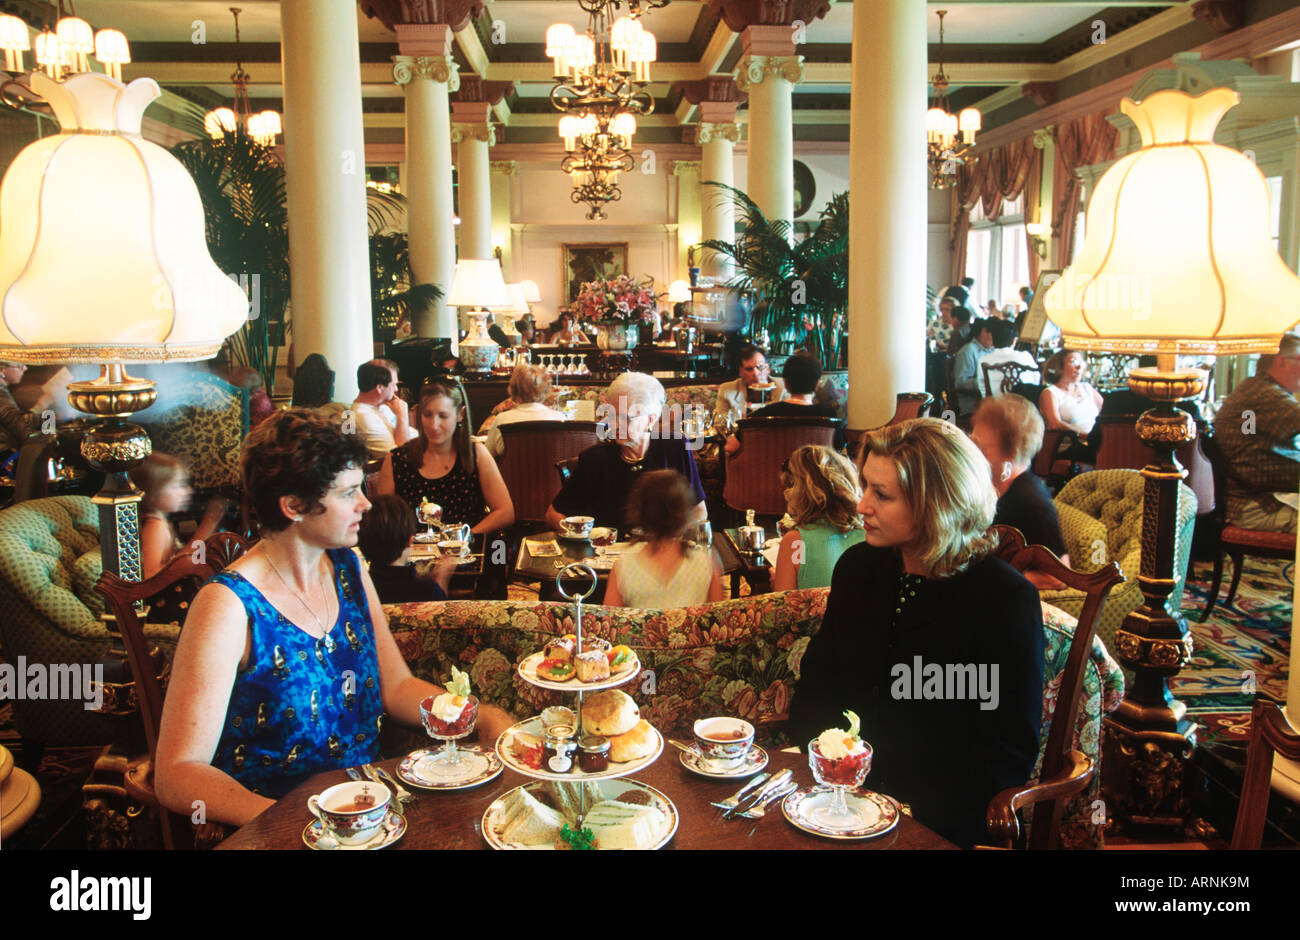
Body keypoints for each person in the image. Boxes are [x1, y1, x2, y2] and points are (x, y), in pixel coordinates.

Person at [152, 408, 516, 826]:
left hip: (370, 812)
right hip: (273, 827)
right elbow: (177, 773)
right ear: (293, 506)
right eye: (348, 493)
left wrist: (472, 713)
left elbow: (395, 686)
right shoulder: (227, 607)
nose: (365, 504)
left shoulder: (348, 567)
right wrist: (299, 827)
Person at [787, 417, 1044, 849]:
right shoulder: (857, 568)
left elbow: (1006, 752)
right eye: (865, 485)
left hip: (937, 819)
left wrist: (904, 813)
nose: (861, 505)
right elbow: (817, 686)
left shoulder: (1003, 599)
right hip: (834, 802)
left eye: (881, 495)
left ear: (936, 504)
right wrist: (830, 775)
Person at [546, 372, 706, 533]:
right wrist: (576, 535)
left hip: (663, 551)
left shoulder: (675, 448)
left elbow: (699, 511)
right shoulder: (594, 459)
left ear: (650, 419)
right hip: (608, 554)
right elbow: (553, 515)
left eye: (624, 418)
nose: (613, 425)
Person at [376, 380, 514, 536]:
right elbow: (382, 520)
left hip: (464, 552)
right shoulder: (396, 459)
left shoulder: (475, 454)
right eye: (427, 415)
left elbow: (505, 512)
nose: (434, 425)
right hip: (412, 553)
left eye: (443, 416)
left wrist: (464, 538)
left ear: (460, 415)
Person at [969, 396, 1069, 590]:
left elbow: (1059, 576)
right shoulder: (993, 488)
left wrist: (992, 582)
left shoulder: (1030, 501)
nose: (973, 455)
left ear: (1011, 453)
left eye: (982, 449)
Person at [1212, 333, 1300, 533]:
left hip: (1261, 496)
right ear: (1282, 362)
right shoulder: (1263, 395)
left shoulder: (1256, 389)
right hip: (1255, 505)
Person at [603, 470, 723, 608]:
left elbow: (611, 623)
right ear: (685, 511)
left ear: (641, 514)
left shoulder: (623, 568)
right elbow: (719, 622)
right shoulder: (706, 562)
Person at [772, 445, 865, 591]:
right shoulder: (869, 534)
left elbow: (786, 607)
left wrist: (779, 578)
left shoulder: (796, 543)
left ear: (800, 492)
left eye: (790, 485)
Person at [129, 453, 230, 580]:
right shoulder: (155, 526)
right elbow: (150, 575)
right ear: (153, 492)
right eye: (178, 485)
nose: (188, 491)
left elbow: (180, 560)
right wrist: (206, 528)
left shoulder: (159, 521)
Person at [726, 350, 843, 454]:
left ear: (785, 384)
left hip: (769, 476)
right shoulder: (829, 416)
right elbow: (839, 449)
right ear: (816, 385)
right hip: (814, 478)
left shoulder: (762, 415)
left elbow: (730, 447)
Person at [357, 493, 453, 603]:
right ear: (410, 541)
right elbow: (441, 612)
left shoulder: (361, 590)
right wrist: (442, 578)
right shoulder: (428, 590)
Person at [485, 364, 566, 458]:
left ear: (513, 389)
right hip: (552, 472)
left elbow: (487, 457)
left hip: (511, 472)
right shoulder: (560, 418)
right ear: (546, 388)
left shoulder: (501, 420)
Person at [711, 344, 787, 435]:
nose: (755, 373)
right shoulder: (727, 390)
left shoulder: (784, 387)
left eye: (760, 367)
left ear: (768, 368)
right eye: (749, 369)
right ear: (741, 372)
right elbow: (719, 423)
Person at [350, 359, 417, 459]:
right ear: (380, 388)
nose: (396, 389)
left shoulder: (383, 406)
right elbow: (400, 456)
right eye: (394, 384)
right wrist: (402, 416)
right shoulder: (364, 417)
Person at [1039, 349, 1103, 439]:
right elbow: (1054, 424)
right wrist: (1083, 435)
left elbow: (1103, 413)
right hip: (1070, 443)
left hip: (1094, 442)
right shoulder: (1050, 393)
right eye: (1074, 362)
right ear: (1059, 367)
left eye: (1082, 363)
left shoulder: (1086, 388)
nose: (1079, 367)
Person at [978, 319, 1041, 397]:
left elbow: (983, 388)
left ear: (992, 338)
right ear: (1014, 340)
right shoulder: (1026, 356)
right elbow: (1036, 381)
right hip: (1023, 406)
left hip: (995, 406)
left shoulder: (983, 360)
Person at [951, 318, 997, 416]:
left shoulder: (992, 351)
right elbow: (961, 383)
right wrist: (986, 382)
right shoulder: (968, 351)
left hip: (989, 401)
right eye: (995, 333)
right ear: (984, 331)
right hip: (973, 404)